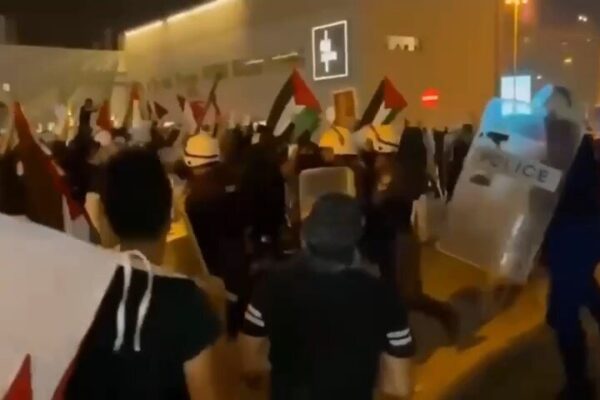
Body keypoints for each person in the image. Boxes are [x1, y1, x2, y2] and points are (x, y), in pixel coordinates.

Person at [66, 147, 222, 399]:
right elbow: (206, 393)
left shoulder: (76, 285)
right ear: (169, 216)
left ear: (108, 218)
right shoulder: (185, 300)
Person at [239, 193, 414, 400]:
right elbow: (398, 387)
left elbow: (250, 363)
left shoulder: (270, 286)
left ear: (306, 236)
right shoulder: (385, 296)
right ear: (357, 235)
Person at [363, 126, 459, 341]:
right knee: (398, 292)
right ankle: (404, 332)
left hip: (397, 239)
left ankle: (443, 316)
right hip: (394, 238)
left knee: (407, 294)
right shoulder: (401, 170)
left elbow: (381, 202)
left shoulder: (393, 172)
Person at [545, 131, 600, 400]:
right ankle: (578, 384)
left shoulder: (565, 145)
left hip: (572, 232)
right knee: (574, 299)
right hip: (574, 232)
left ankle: (578, 387)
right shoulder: (574, 142)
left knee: (564, 315)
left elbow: (564, 190)